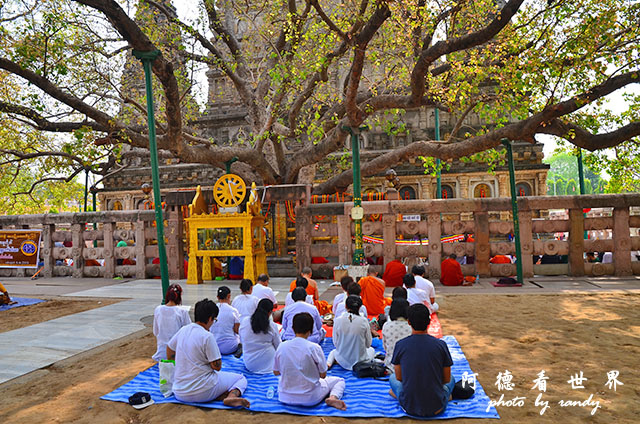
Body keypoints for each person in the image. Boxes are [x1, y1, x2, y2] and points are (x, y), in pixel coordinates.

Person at [167, 298, 250, 407]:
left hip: (179, 392)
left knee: (217, 380)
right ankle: (231, 396)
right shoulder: (207, 336)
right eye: (214, 320)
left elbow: (169, 349)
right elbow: (217, 367)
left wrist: (180, 364)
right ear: (210, 318)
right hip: (203, 391)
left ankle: (220, 394)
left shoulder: (184, 330)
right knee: (240, 378)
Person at [390, 303, 455, 417]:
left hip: (409, 406)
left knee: (392, 378)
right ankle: (444, 396)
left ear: (409, 322)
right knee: (452, 379)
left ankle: (399, 394)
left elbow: (399, 377)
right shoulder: (441, 345)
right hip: (437, 406)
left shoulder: (401, 345)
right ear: (429, 321)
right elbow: (446, 379)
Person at [274, 312, 346, 410]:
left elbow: (276, 372)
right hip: (310, 398)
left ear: (293, 328)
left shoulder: (282, 346)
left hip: (284, 396)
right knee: (339, 381)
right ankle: (333, 397)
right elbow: (323, 375)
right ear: (311, 330)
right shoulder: (314, 348)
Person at [327, 296, 374, 370]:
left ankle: (329, 363)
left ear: (345, 306)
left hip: (342, 361)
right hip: (360, 361)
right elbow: (368, 344)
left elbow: (335, 343)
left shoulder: (338, 320)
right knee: (371, 350)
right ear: (360, 307)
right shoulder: (363, 321)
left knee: (334, 352)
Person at [238, 298, 281, 374]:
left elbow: (242, 339)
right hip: (269, 365)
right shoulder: (271, 325)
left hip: (249, 364)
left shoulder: (245, 321)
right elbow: (278, 346)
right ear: (270, 312)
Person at [152, 284, 191, 361]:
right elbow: (188, 332)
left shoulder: (158, 309)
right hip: (177, 353)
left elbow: (155, 332)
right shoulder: (182, 311)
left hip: (161, 352)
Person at [382, 299, 412, 369]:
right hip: (408, 367)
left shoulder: (387, 325)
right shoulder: (411, 327)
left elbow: (385, 347)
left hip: (391, 366)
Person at [211, 286, 242, 356]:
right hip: (229, 347)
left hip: (213, 346)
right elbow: (236, 330)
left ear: (217, 297)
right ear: (229, 296)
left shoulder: (212, 309)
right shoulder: (233, 310)